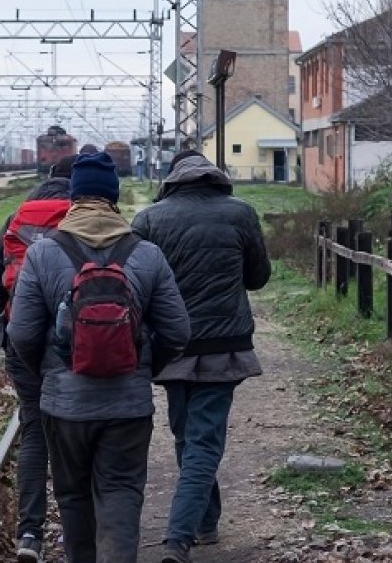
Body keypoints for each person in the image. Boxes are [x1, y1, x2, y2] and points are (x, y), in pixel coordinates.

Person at [8, 152, 191, 563]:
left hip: (64, 404)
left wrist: (50, 373)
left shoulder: (43, 254)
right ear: (114, 197)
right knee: (122, 492)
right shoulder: (146, 254)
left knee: (73, 497)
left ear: (74, 198)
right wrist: (144, 365)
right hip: (127, 403)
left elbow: (20, 332)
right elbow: (178, 331)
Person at [131, 151, 271, 563]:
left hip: (170, 345)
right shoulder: (241, 213)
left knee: (189, 436)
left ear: (174, 178)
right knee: (201, 441)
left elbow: (136, 284)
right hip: (223, 344)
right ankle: (187, 531)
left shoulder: (149, 219)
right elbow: (258, 278)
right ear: (213, 176)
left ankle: (188, 530)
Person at [0, 154, 76, 563]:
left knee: (34, 429)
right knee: (76, 430)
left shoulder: (16, 218)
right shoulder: (81, 218)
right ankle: (78, 533)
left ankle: (29, 535)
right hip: (70, 342)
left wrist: (6, 340)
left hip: (21, 338)